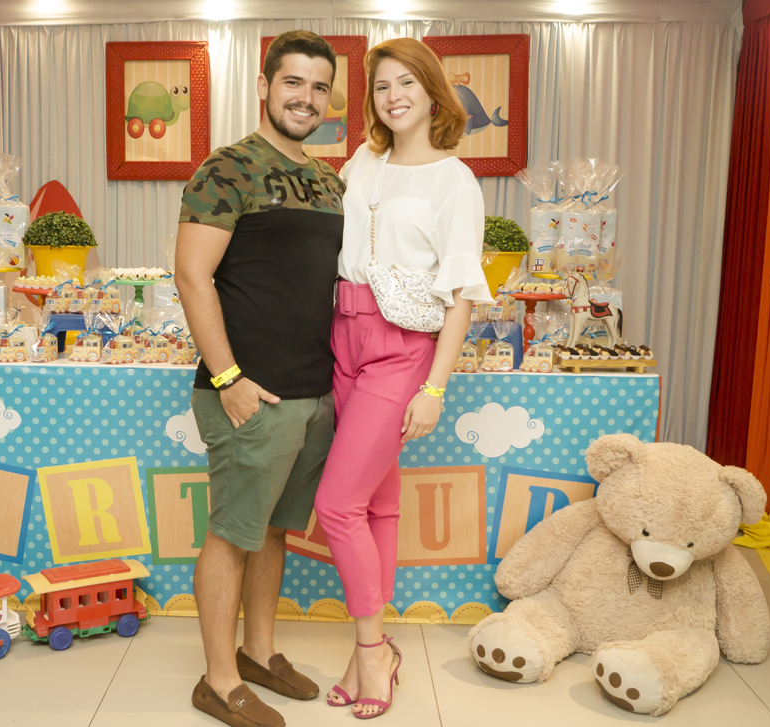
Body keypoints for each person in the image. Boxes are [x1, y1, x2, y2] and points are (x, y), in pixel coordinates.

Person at [313, 38, 494, 720]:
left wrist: (435, 389)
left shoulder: (455, 181)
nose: (393, 96)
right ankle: (378, 645)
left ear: (432, 93)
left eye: (406, 83)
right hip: (343, 336)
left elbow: (462, 294)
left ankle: (370, 651)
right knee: (375, 504)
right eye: (382, 86)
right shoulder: (362, 161)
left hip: (401, 347)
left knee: (337, 505)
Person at [175, 30, 345, 727]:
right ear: (265, 87)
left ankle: (258, 652)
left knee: (274, 531)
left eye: (319, 86)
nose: (306, 97)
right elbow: (192, 275)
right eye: (293, 82)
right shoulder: (228, 168)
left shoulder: (331, 181)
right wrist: (229, 379)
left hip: (313, 392)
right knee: (231, 534)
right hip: (250, 393)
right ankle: (218, 680)